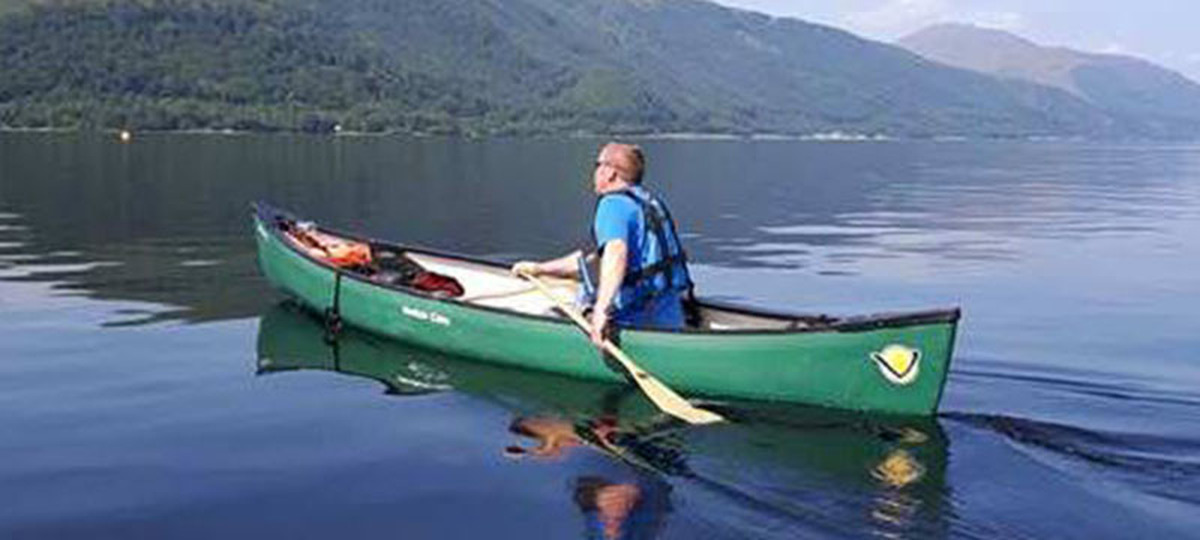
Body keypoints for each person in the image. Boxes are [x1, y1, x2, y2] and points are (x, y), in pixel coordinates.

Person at [512, 142, 696, 345]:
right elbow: (591, 261)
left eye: (598, 165)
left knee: (550, 315)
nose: (595, 171)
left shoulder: (613, 205)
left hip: (634, 320)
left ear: (610, 173)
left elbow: (616, 254)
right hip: (671, 319)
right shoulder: (648, 203)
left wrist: (601, 311)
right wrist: (539, 269)